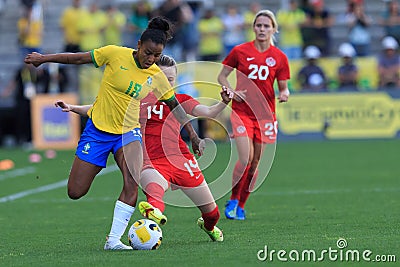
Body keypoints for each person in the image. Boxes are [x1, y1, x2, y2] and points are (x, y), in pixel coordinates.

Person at [24, 17, 204, 250]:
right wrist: (43, 59)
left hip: (128, 134)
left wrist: (194, 135)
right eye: (148, 53)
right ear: (138, 44)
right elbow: (77, 58)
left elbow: (175, 106)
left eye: (156, 56)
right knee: (75, 191)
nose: (151, 59)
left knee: (131, 183)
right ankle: (89, 162)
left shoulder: (157, 77)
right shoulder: (114, 54)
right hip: (98, 131)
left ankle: (113, 241)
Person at [55, 55, 234, 241]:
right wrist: (72, 107)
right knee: (154, 191)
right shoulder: (136, 99)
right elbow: (99, 108)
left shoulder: (180, 99)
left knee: (213, 214)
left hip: (181, 160)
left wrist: (223, 102)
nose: (164, 82)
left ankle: (208, 225)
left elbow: (208, 112)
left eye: (170, 79)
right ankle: (153, 212)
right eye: (160, 78)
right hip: (151, 160)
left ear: (175, 80)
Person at [217, 10, 290, 220]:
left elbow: (283, 87)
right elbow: (222, 76)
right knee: (245, 157)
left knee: (255, 164)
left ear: (273, 29)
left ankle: (241, 204)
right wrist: (231, 91)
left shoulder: (280, 58)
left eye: (266, 26)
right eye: (259, 25)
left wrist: (284, 93)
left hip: (265, 116)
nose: (262, 29)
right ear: (253, 28)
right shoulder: (240, 51)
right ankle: (232, 200)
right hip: (242, 113)